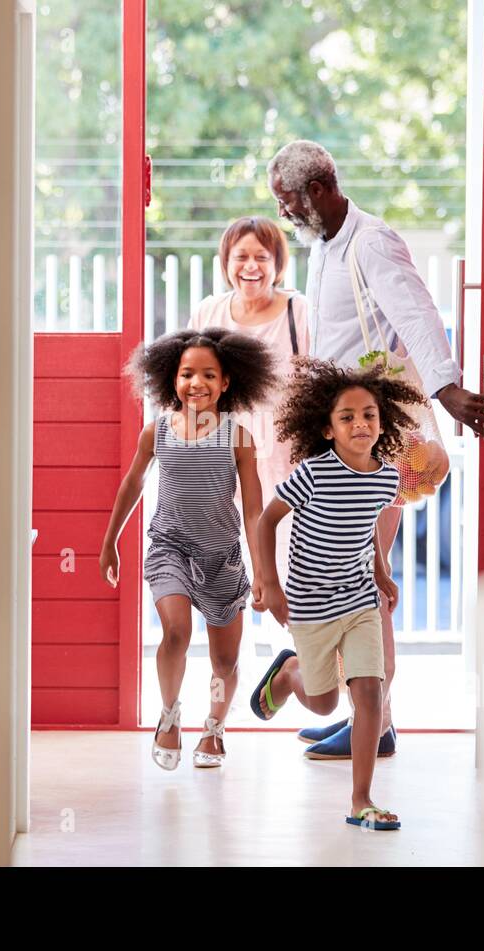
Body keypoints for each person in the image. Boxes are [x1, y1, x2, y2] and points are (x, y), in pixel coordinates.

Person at [266, 139, 484, 757]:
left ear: (319, 188)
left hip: (376, 437)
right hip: (339, 436)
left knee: (363, 579)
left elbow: (418, 313)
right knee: (345, 573)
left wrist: (447, 388)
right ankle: (370, 715)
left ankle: (376, 721)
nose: (286, 213)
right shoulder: (325, 247)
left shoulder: (371, 241)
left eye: (289, 201)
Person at [250, 357, 428, 829]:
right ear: (327, 430)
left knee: (369, 691)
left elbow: (365, 528)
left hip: (359, 599)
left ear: (381, 421)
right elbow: (266, 521)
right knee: (325, 701)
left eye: (368, 414)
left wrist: (382, 568)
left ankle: (361, 799)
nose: (360, 424)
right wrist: (269, 583)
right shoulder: (313, 474)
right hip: (309, 602)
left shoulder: (387, 478)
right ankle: (290, 674)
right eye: (346, 417)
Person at [99, 328, 276, 769]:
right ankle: (169, 715)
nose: (196, 383)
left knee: (225, 658)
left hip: (222, 557)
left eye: (208, 375)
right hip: (170, 549)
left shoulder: (238, 437)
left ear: (227, 383)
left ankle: (213, 729)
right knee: (175, 631)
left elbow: (254, 510)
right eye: (186, 374)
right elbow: (132, 486)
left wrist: (263, 574)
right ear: (170, 380)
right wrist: (111, 542)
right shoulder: (156, 431)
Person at [187, 217, 310, 650]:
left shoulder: (300, 312)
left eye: (262, 256)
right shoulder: (209, 312)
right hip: (225, 459)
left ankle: (307, 672)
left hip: (286, 461)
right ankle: (232, 684)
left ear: (278, 263)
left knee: (290, 581)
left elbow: (323, 383)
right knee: (226, 581)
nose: (251, 266)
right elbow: (192, 386)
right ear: (226, 262)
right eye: (241, 256)